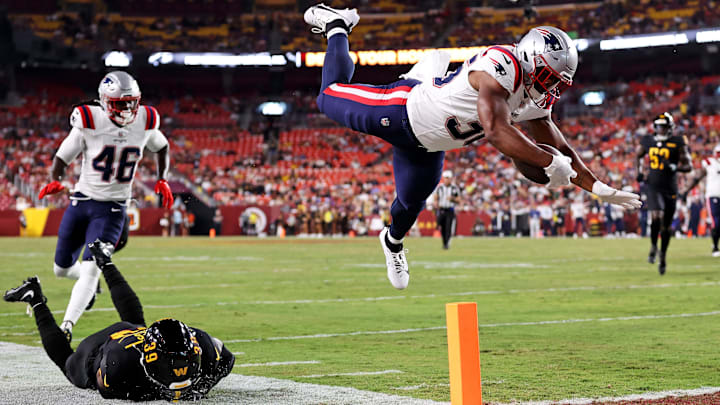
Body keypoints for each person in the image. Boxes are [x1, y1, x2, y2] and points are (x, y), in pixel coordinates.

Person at [304, 4, 640, 289]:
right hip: (400, 109)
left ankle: (392, 242)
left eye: (557, 81)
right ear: (531, 57)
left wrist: (597, 187)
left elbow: (559, 147)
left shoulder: (534, 95)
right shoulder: (501, 64)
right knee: (327, 96)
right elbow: (496, 131)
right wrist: (548, 164)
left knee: (410, 202)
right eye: (549, 76)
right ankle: (337, 26)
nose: (551, 87)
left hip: (428, 145)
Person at [3, 240, 234, 401]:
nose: (179, 371)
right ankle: (35, 298)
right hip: (100, 349)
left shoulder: (203, 344)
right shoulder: (118, 365)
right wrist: (166, 393)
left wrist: (203, 385)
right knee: (69, 365)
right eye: (172, 366)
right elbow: (107, 390)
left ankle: (105, 262)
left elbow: (227, 361)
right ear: (149, 359)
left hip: (135, 333)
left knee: (137, 323)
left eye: (184, 363)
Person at [37, 71, 174, 340]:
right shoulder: (90, 120)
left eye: (131, 102)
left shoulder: (145, 121)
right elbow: (63, 156)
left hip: (112, 208)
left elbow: (163, 146)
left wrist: (163, 179)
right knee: (61, 268)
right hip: (81, 202)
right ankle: (90, 287)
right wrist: (55, 179)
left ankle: (67, 326)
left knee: (91, 266)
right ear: (104, 101)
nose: (128, 109)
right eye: (120, 103)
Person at [636, 112, 692, 274]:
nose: (661, 130)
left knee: (666, 226)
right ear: (655, 127)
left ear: (670, 128)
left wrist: (676, 167)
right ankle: (653, 245)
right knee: (656, 217)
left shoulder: (678, 142)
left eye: (664, 127)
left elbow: (688, 166)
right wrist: (639, 171)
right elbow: (638, 156)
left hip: (670, 187)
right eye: (659, 127)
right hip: (653, 185)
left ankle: (663, 256)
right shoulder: (648, 140)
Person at [682, 143, 720, 256]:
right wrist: (686, 190)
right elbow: (697, 178)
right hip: (713, 196)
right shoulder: (710, 163)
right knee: (716, 223)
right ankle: (715, 247)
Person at [435, 170, 461, 249]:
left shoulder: (454, 188)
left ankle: (446, 244)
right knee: (442, 227)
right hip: (442, 209)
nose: (447, 179)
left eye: (448, 178)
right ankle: (444, 242)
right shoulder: (440, 187)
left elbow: (459, 200)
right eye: (446, 178)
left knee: (448, 227)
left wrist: (452, 199)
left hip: (450, 210)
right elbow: (436, 197)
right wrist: (436, 204)